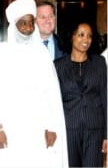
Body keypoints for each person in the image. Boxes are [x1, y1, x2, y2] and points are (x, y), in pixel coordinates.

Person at [0, 0, 68, 167]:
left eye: (30, 23)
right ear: (14, 25)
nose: (28, 29)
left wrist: (51, 126)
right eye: (23, 24)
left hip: (38, 127)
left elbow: (51, 93)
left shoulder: (41, 53)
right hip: (9, 126)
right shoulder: (0, 53)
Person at [54, 21, 107, 167]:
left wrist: (106, 135)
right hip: (68, 129)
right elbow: (53, 101)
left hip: (95, 129)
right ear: (71, 37)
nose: (86, 40)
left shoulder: (99, 63)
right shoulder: (58, 66)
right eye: (81, 35)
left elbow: (105, 97)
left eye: (89, 36)